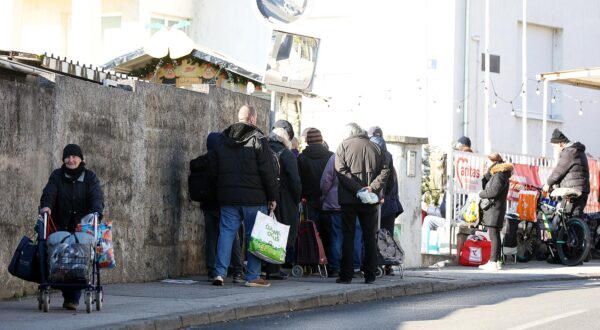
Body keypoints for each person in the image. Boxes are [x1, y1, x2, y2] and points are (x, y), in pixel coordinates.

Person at [210, 104, 279, 287]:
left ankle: (219, 273)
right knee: (253, 236)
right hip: (254, 198)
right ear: (253, 119)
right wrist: (273, 197)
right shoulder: (258, 139)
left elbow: (214, 168)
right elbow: (268, 171)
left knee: (226, 233)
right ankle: (252, 276)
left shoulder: (223, 139)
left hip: (229, 197)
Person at [39, 143, 104, 310]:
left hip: (81, 229)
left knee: (79, 261)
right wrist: (46, 206)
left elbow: (96, 196)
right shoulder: (57, 176)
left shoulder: (90, 177)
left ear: (81, 159)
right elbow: (49, 193)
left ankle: (72, 297)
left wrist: (96, 211)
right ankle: (69, 295)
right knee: (60, 261)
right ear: (63, 159)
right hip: (59, 226)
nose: (71, 160)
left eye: (74, 156)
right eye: (67, 157)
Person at [334, 123, 390, 284]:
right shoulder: (376, 147)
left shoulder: (343, 147)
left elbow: (341, 172)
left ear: (348, 134)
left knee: (348, 235)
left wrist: (358, 189)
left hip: (349, 199)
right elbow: (385, 170)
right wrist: (371, 189)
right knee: (369, 236)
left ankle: (346, 274)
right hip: (370, 199)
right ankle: (370, 274)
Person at [199, 132, 244, 283]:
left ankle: (212, 269)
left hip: (207, 205)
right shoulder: (224, 160)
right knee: (232, 236)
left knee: (211, 236)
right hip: (224, 203)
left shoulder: (202, 161)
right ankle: (237, 269)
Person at [265, 127, 301, 279]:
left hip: (264, 196)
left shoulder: (263, 150)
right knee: (280, 232)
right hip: (284, 199)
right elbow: (295, 180)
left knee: (265, 231)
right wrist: (296, 198)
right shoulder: (287, 154)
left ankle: (262, 266)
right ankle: (274, 268)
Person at [321, 153, 364, 278]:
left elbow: (326, 180)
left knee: (337, 235)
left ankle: (335, 267)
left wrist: (324, 196)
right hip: (356, 202)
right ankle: (355, 266)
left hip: (336, 202)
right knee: (355, 234)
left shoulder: (336, 157)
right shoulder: (361, 156)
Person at [368, 127, 403, 275]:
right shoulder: (389, 157)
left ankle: (377, 263)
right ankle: (387, 265)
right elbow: (391, 185)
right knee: (386, 234)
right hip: (391, 204)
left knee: (373, 233)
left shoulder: (371, 154)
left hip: (378, 202)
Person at [297, 128, 334, 258]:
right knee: (329, 232)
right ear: (321, 139)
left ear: (307, 141)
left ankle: (311, 260)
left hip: (308, 200)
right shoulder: (331, 156)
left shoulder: (301, 158)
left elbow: (299, 180)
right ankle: (329, 261)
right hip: (328, 200)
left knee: (311, 232)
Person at [478, 153, 513, 271]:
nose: (485, 164)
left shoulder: (500, 175)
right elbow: (486, 184)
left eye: (487, 162)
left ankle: (493, 262)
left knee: (493, 235)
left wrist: (481, 194)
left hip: (495, 208)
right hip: (496, 208)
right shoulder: (497, 174)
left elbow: (493, 192)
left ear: (493, 162)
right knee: (495, 234)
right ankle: (497, 261)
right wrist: (487, 173)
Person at [543, 129, 590, 217]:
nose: (555, 149)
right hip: (581, 189)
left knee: (569, 219)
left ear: (560, 144)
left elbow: (559, 171)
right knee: (575, 219)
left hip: (573, 192)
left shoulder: (569, 152)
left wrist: (548, 184)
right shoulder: (576, 150)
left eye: (555, 146)